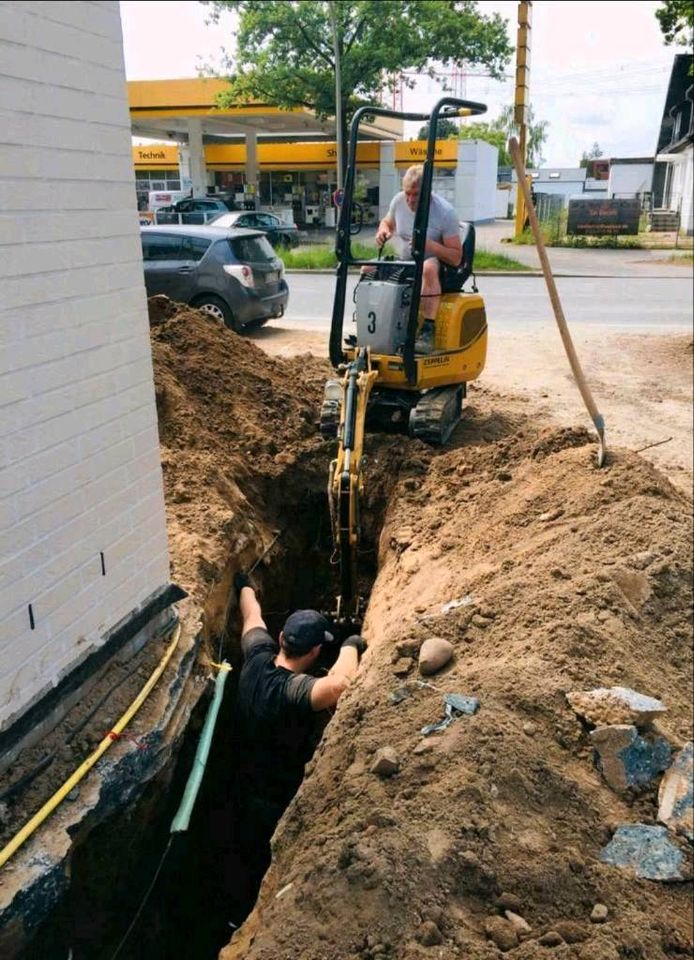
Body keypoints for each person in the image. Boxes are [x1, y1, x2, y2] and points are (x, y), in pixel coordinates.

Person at [232, 571, 366, 906]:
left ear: (280, 638)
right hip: (276, 799)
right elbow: (337, 686)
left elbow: (251, 614)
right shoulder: (292, 692)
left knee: (243, 854)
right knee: (263, 861)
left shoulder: (256, 656)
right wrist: (352, 645)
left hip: (241, 784)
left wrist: (244, 585)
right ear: (316, 650)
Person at [375, 164, 462, 353]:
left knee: (428, 268)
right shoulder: (398, 201)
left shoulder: (445, 213)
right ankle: (376, 327)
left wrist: (428, 245)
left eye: (416, 194)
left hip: (435, 262)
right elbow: (387, 222)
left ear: (427, 192)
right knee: (369, 268)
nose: (410, 199)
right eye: (407, 193)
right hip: (406, 260)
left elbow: (456, 257)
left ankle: (427, 330)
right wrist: (383, 231)